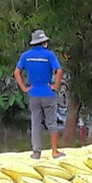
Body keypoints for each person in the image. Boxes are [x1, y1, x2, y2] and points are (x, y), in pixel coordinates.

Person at [14, 29, 64, 159]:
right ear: (44, 42)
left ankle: (36, 152)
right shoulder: (49, 55)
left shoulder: (26, 56)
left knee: (35, 123)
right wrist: (56, 86)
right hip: (48, 92)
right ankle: (54, 151)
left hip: (33, 93)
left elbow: (16, 72)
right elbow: (59, 71)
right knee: (51, 122)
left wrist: (24, 88)